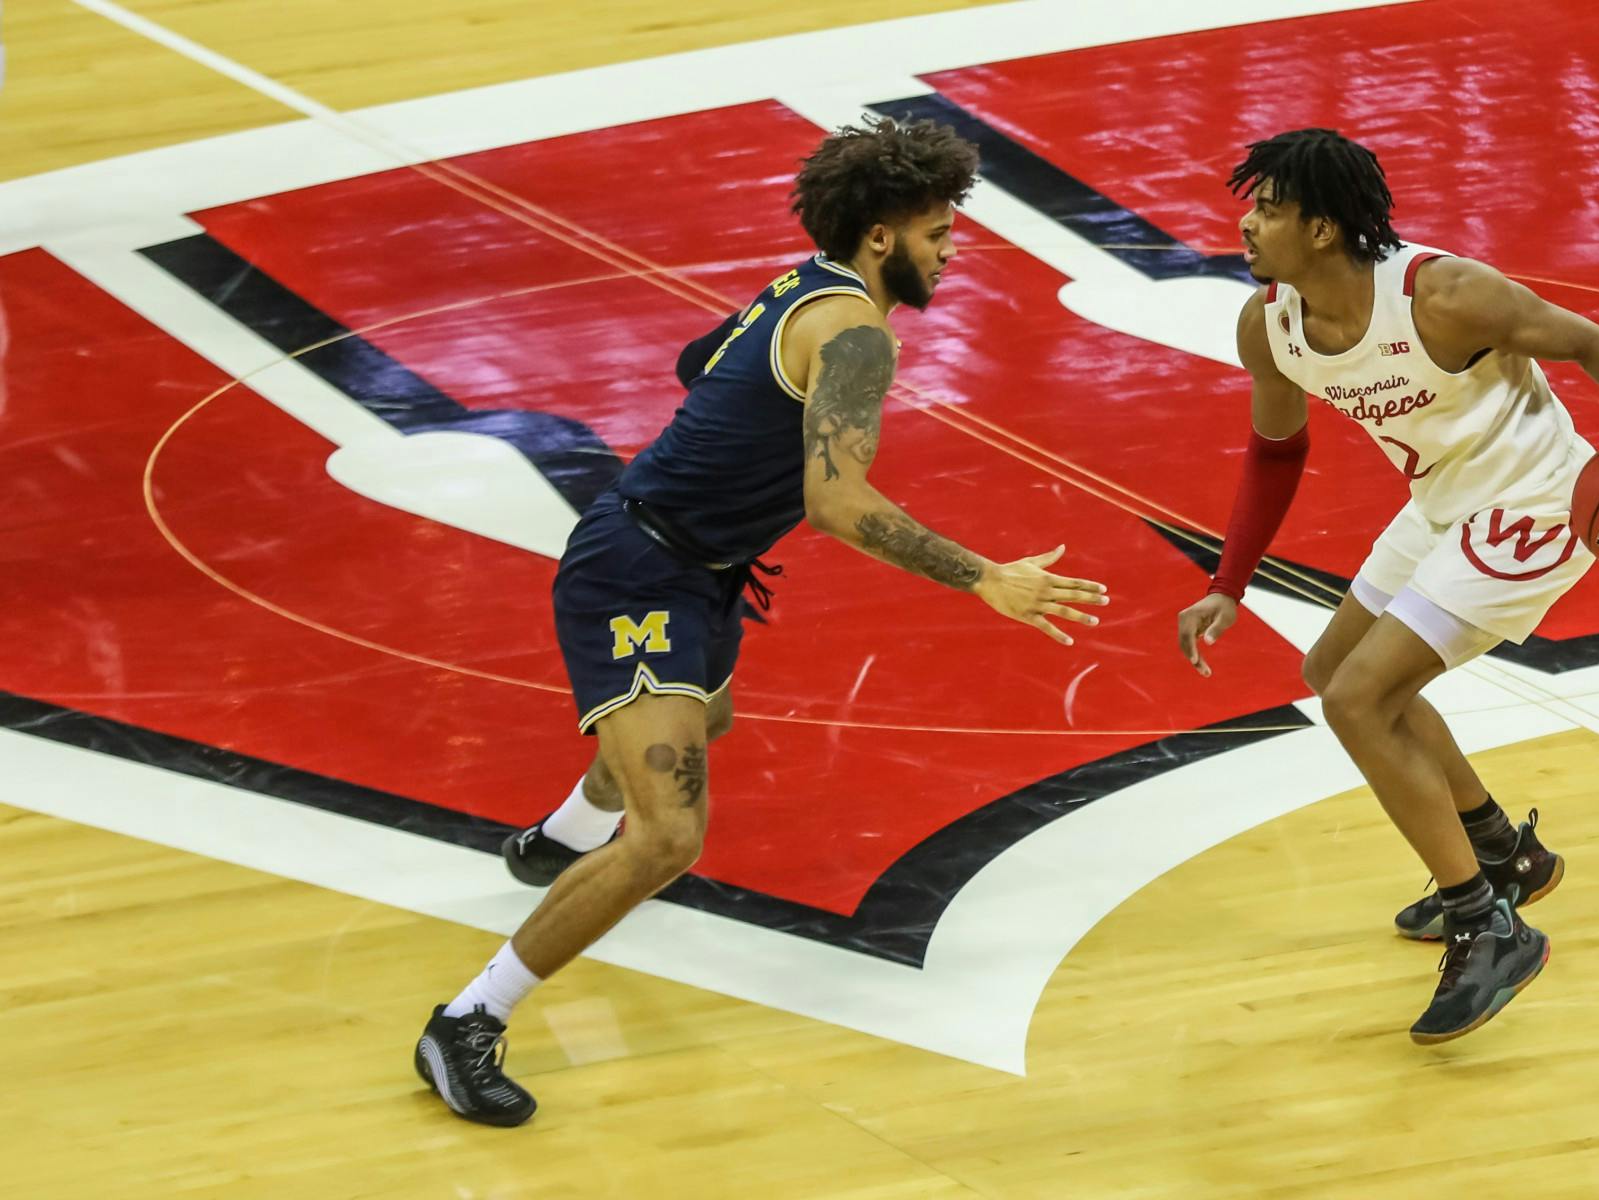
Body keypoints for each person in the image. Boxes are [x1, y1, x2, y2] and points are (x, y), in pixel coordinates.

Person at [416, 117, 1111, 1125]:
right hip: (638, 576)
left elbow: (700, 364)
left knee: (703, 724)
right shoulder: (858, 334)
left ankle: (560, 843)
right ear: (881, 238)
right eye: (935, 229)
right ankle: (465, 1023)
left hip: (696, 566)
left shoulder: (804, 284)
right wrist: (980, 577)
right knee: (667, 837)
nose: (951, 247)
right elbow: (836, 502)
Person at [1175, 128, 1599, 1044]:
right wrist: (1230, 581)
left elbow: (1587, 341)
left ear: (1320, 228)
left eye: (1268, 207)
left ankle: (1486, 924)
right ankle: (1503, 853)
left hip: (1536, 506)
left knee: (1359, 699)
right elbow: (1276, 451)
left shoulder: (1445, 295)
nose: (1247, 223)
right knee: (1333, 673)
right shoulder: (1268, 325)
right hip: (1442, 503)